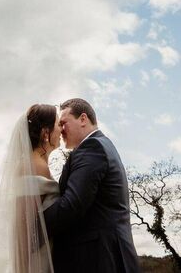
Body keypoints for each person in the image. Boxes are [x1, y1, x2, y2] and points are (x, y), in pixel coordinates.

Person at [43, 98, 140, 273]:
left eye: (64, 123)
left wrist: (31, 226)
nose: (61, 130)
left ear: (83, 119)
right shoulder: (102, 145)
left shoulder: (92, 147)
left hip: (98, 260)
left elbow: (72, 205)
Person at [0, 104, 62, 273]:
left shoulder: (37, 164)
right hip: (32, 264)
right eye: (57, 124)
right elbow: (21, 229)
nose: (61, 129)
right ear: (45, 133)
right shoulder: (32, 166)